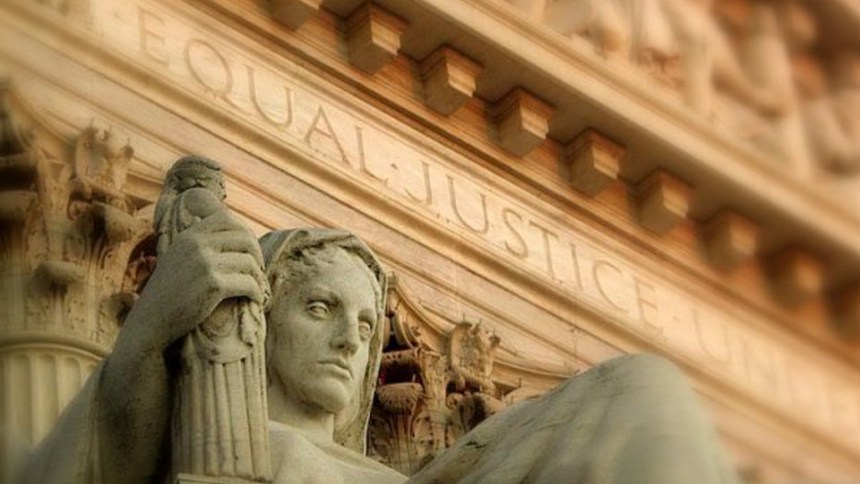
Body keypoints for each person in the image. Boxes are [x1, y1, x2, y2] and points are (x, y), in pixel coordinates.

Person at [22, 158, 739, 484]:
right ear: (260, 318)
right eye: (320, 307)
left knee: (646, 388)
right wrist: (153, 332)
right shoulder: (218, 438)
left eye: (368, 329)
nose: (348, 340)